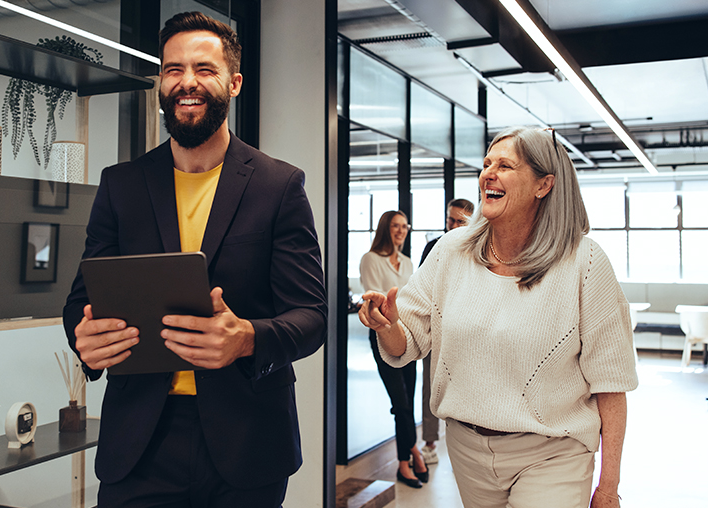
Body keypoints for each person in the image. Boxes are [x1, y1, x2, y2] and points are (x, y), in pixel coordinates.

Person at [63, 11, 327, 508]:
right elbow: (81, 301)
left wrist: (248, 338)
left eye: (204, 69)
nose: (187, 83)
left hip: (248, 444)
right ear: (161, 81)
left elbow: (312, 318)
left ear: (234, 82)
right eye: (172, 69)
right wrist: (84, 340)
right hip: (139, 441)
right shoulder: (121, 185)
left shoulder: (279, 186)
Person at [359, 126, 638, 508]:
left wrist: (609, 488)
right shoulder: (450, 252)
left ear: (544, 185)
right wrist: (387, 324)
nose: (488, 173)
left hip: (553, 452)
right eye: (487, 163)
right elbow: (407, 341)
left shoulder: (584, 262)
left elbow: (611, 384)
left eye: (506, 165)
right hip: (468, 450)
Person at [358, 209, 428, 489]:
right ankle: (408, 458)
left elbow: (412, 303)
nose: (401, 231)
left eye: (405, 226)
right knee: (400, 403)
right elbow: (376, 303)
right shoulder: (370, 259)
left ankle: (410, 454)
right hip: (383, 337)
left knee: (407, 402)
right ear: (385, 228)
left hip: (408, 339)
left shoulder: (409, 263)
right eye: (396, 226)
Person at [416, 197, 473, 465]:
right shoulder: (434, 247)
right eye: (450, 220)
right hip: (437, 328)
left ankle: (466, 438)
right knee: (431, 385)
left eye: (459, 221)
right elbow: (421, 288)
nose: (452, 226)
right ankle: (429, 442)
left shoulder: (477, 248)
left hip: (468, 332)